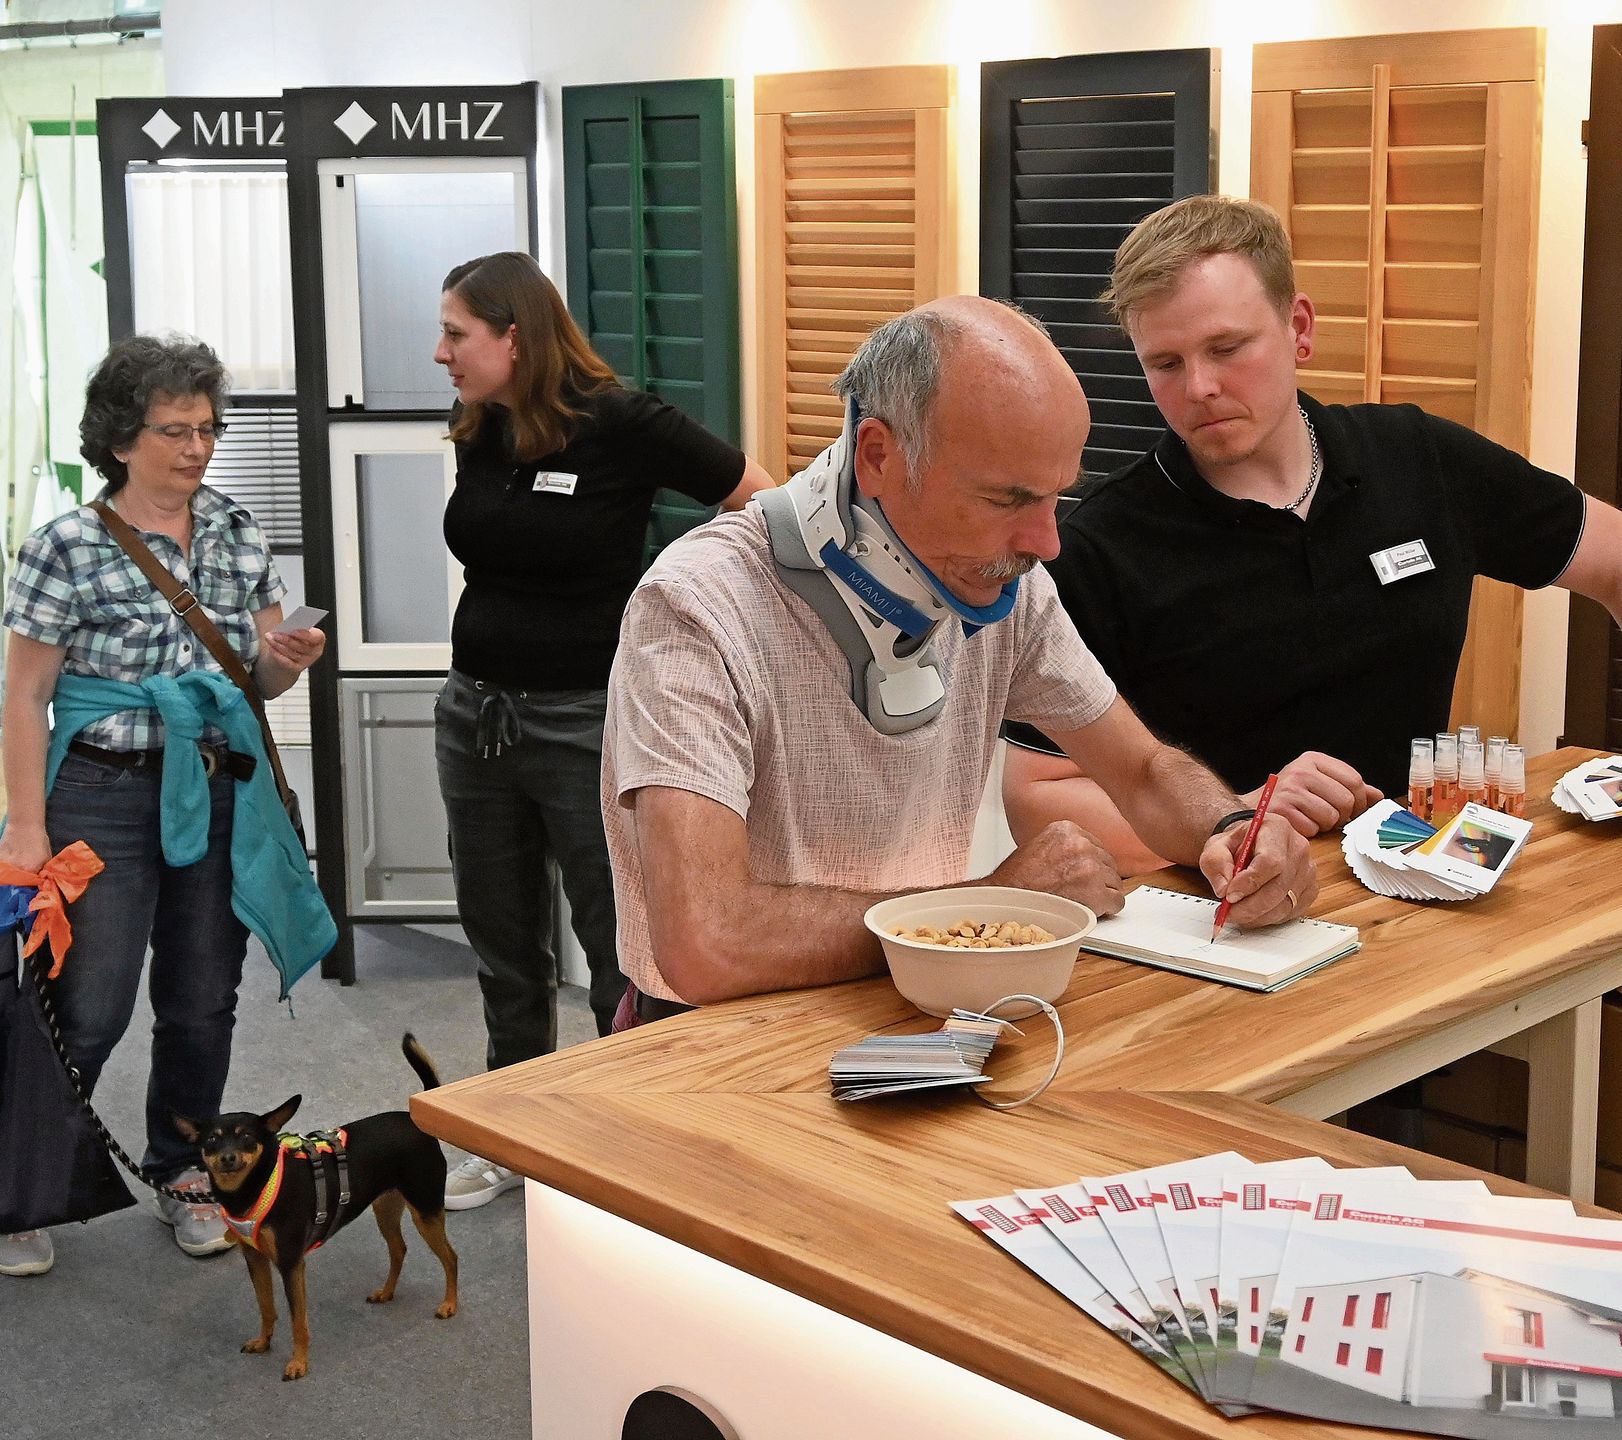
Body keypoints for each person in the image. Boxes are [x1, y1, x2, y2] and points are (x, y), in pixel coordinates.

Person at [601, 295, 1317, 1022]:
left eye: (1056, 498)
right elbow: (707, 941)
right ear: (878, 456)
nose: (1046, 543)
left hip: (921, 1003)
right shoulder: (697, 605)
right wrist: (986, 905)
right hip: (711, 1041)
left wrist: (1230, 830)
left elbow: (1140, 771)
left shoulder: (1007, 583)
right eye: (1007, 500)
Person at [1003, 196, 1622, 870]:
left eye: (1226, 348)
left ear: (1299, 328)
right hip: (1220, 907)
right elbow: (1036, 799)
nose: (1200, 386)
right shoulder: (1094, 548)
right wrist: (1235, 817)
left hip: (1422, 881)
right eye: (1166, 364)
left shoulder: (1419, 459)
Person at [431, 252, 773, 1207]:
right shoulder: (482, 427)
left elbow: (761, 503)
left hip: (589, 723)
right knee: (502, 944)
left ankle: (621, 1137)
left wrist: (695, 614)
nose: (441, 352)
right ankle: (512, 1130)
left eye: (456, 333)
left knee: (618, 944)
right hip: (475, 718)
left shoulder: (623, 422)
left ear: (514, 336)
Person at [0, 334, 327, 1276]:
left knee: (202, 1000)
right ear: (120, 439)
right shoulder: (64, 546)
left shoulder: (235, 529)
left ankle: (182, 1172)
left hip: (215, 790)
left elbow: (258, 677)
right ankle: (21, 1187)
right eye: (174, 430)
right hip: (97, 794)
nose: (197, 447)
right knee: (86, 1005)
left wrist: (287, 660)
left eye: (208, 428)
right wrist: (27, 825)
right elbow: (24, 694)